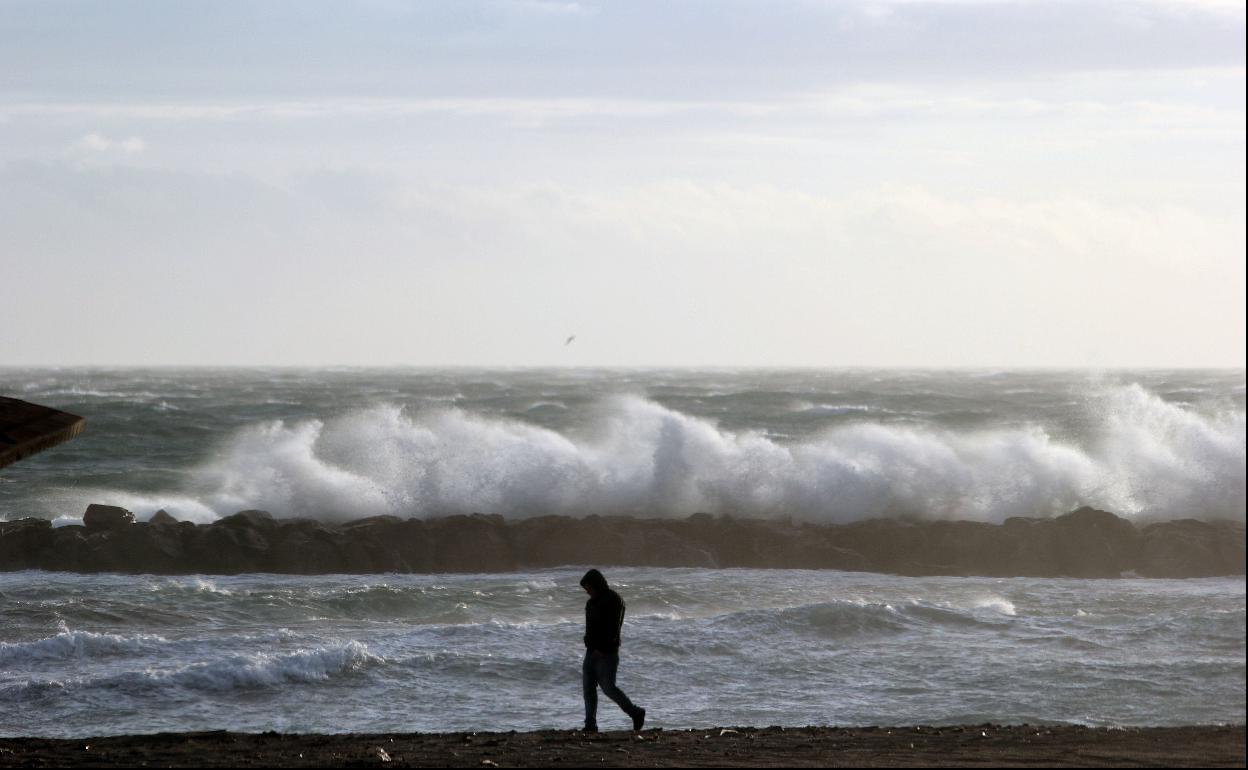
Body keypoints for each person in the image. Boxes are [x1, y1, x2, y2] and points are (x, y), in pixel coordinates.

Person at [579, 568, 646, 732]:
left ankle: (636, 712)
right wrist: (589, 644)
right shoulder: (591, 603)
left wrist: (603, 648)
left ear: (596, 584)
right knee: (588, 690)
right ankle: (590, 724)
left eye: (589, 587)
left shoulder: (614, 600)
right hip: (591, 652)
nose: (587, 592)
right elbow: (590, 628)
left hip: (607, 653)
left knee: (609, 688)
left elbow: (614, 628)